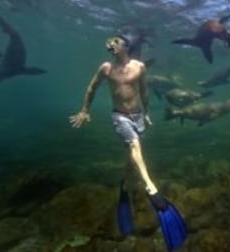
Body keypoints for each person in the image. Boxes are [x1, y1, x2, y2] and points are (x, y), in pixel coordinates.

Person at [69, 35, 187, 250]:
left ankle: (125, 181)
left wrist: (148, 113)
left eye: (113, 42)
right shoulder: (106, 68)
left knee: (132, 155)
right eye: (107, 43)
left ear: (125, 45)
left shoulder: (140, 67)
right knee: (134, 146)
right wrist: (85, 110)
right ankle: (150, 187)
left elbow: (143, 91)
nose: (109, 45)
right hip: (119, 116)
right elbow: (91, 88)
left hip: (138, 116)